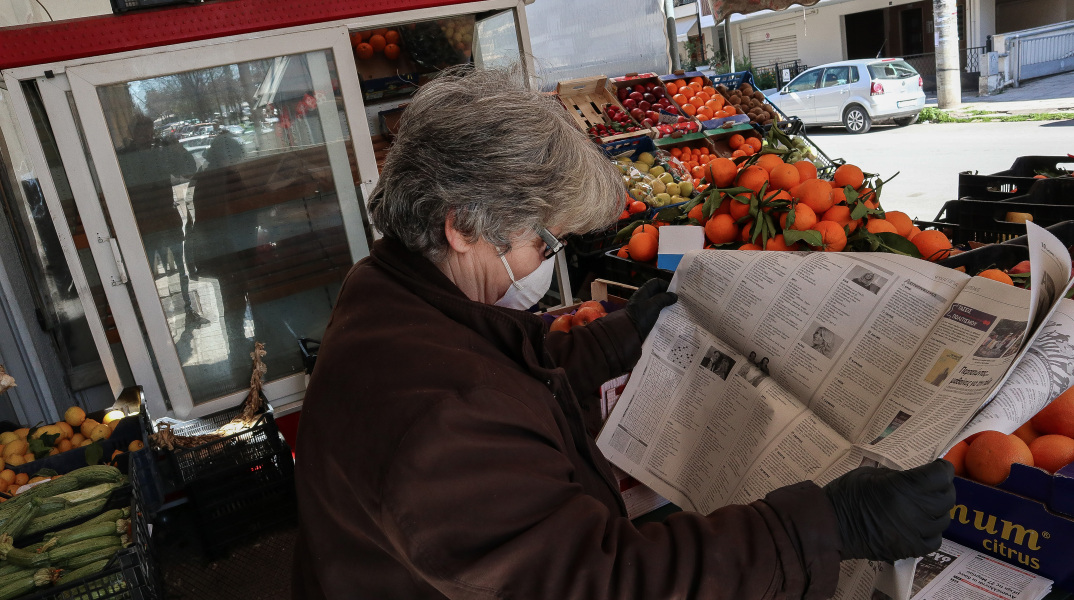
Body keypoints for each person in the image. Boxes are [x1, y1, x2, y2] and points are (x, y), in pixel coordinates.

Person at [293, 66, 955, 600]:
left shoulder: (391, 296)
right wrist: (828, 524)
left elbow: (499, 381)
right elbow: (603, 580)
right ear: (462, 226)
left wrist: (618, 338)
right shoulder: (437, 414)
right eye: (542, 240)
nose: (548, 262)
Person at [116, 114, 207, 325]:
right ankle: (148, 319)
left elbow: (188, 170)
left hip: (165, 218)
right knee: (143, 272)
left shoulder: (160, 152)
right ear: (131, 133)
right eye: (141, 132)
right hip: (140, 223)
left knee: (180, 270)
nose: (146, 136)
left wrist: (176, 148)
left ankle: (187, 310)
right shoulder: (121, 157)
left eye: (149, 132)